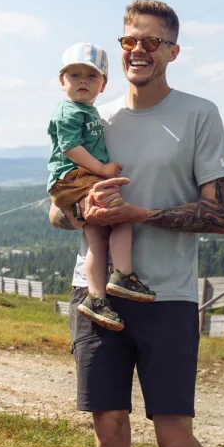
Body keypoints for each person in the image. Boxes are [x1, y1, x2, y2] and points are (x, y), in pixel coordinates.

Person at [47, 1, 224, 447]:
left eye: (152, 42)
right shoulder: (92, 116)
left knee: (175, 442)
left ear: (172, 52)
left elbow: (221, 214)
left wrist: (142, 214)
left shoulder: (199, 115)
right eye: (129, 40)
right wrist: (86, 207)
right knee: (109, 429)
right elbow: (57, 208)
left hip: (167, 295)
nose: (138, 50)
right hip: (96, 294)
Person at [46, 42, 155, 335]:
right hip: (76, 177)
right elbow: (69, 147)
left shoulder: (87, 110)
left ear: (103, 84)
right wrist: (102, 169)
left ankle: (96, 297)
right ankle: (122, 275)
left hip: (81, 178)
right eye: (74, 75)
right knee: (120, 216)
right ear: (61, 81)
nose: (83, 81)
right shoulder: (69, 111)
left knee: (97, 237)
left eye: (91, 76)